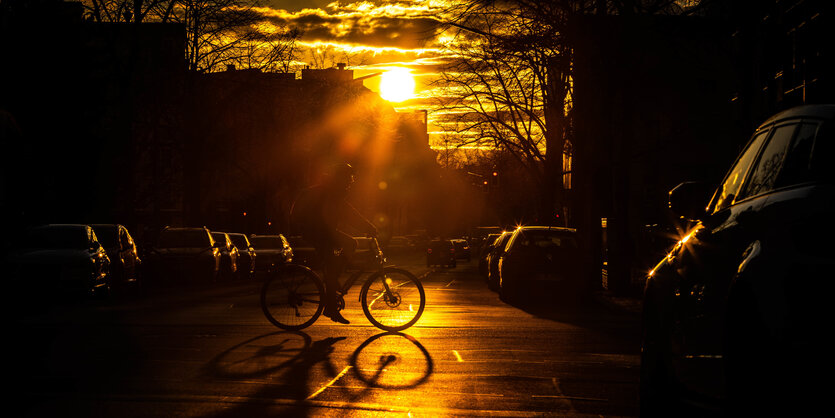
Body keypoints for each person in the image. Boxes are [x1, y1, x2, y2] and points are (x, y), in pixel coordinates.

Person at [290, 163, 377, 324]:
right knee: (337, 258)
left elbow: (346, 212)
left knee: (348, 246)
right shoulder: (331, 192)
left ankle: (333, 281)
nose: (351, 181)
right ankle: (330, 305)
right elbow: (347, 213)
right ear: (341, 177)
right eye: (349, 178)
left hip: (319, 229)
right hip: (314, 230)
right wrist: (368, 227)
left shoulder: (331, 190)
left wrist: (367, 227)